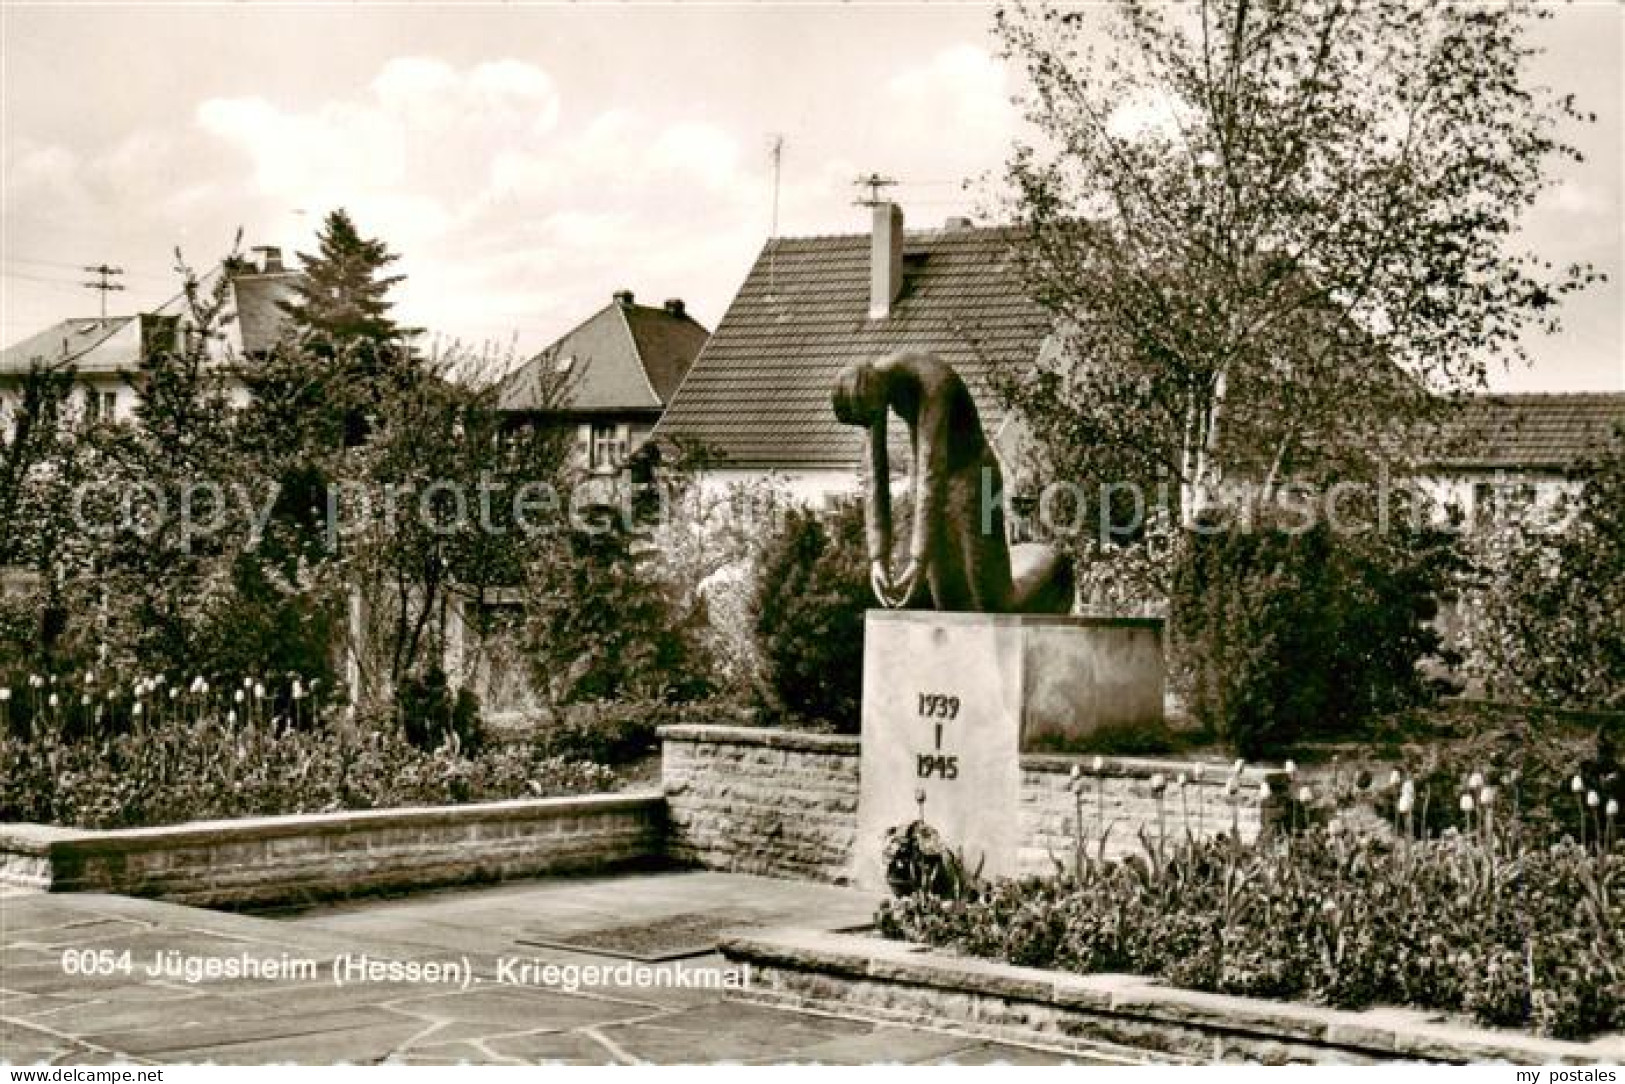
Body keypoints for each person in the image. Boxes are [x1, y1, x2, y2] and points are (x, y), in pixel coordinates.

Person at [831, 351, 1072, 613]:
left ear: (879, 390)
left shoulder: (934, 380)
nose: (876, 421)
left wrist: (919, 558)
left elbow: (932, 466)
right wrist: (878, 557)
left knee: (994, 599)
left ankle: (1050, 566)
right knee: (948, 599)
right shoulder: (872, 389)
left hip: (977, 477)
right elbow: (874, 474)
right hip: (931, 481)